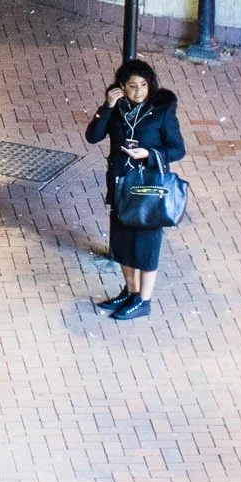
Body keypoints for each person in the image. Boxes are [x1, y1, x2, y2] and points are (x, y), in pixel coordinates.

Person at [86, 56, 186, 321]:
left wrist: (149, 154)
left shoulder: (162, 111)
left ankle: (144, 299)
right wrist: (107, 106)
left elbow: (178, 149)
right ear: (122, 86)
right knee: (122, 241)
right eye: (132, 86)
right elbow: (93, 136)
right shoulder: (116, 108)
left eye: (143, 85)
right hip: (121, 183)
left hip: (148, 187)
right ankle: (130, 291)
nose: (139, 91)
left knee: (146, 244)